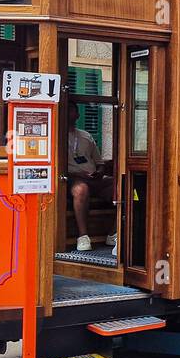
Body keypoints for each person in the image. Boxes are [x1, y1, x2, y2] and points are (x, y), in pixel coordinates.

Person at [67, 103, 113, 252]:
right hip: (72, 179)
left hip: (93, 178)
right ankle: (83, 236)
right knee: (81, 189)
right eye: (67, 110)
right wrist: (76, 174)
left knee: (123, 185)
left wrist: (99, 172)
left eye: (73, 110)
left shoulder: (86, 136)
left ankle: (114, 233)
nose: (70, 113)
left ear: (78, 115)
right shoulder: (56, 136)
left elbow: (99, 162)